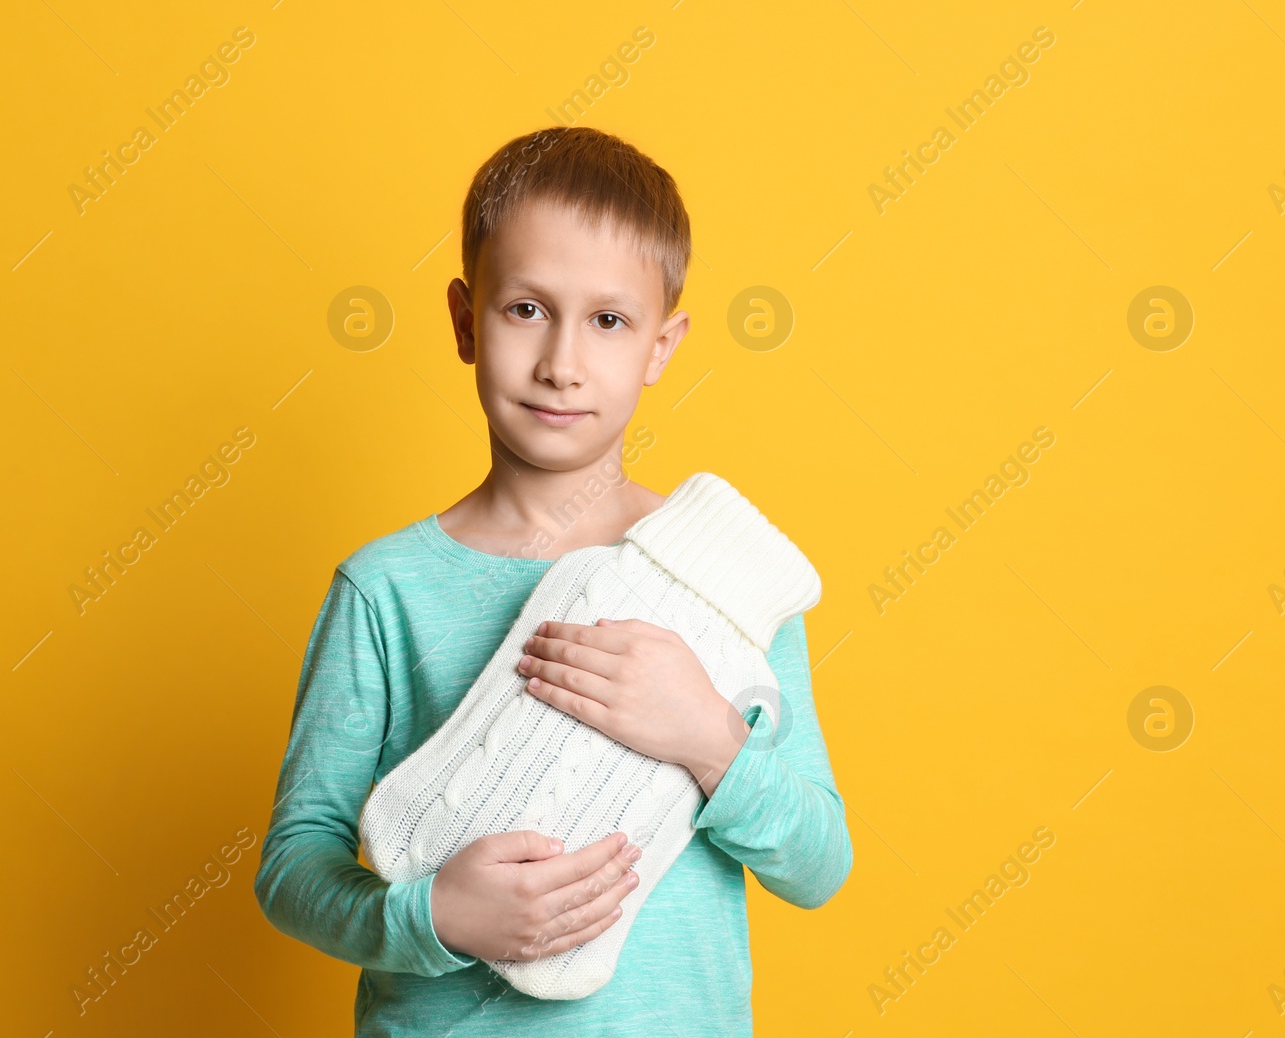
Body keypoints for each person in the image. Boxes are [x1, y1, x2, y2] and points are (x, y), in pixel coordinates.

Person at [253, 124, 852, 1037]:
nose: (561, 363)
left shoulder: (725, 579)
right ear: (464, 319)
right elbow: (294, 867)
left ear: (662, 345)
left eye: (609, 321)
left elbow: (817, 864)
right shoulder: (387, 590)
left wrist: (706, 736)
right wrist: (432, 918)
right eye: (526, 308)